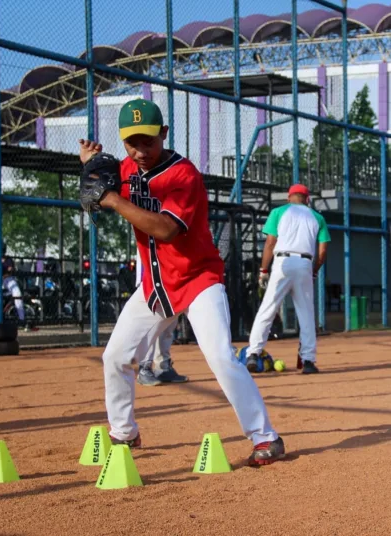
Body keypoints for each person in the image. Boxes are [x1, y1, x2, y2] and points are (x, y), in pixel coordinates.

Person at [78, 98, 284, 465]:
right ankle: (125, 434)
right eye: (132, 142)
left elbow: (167, 229)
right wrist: (90, 164)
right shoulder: (126, 168)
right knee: (115, 357)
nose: (140, 150)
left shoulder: (183, 175)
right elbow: (107, 176)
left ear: (164, 135)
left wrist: (111, 199)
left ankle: (265, 436)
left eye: (148, 141)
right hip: (156, 286)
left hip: (199, 280)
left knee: (221, 357)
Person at [245, 183, 330, 374]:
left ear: (289, 198)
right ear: (307, 200)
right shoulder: (318, 217)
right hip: (304, 263)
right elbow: (323, 252)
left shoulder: (278, 212)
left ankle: (253, 354)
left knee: (268, 307)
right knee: (306, 313)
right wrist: (314, 270)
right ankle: (308, 361)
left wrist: (263, 270)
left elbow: (270, 243)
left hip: (282, 263)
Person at [132, 250, 189, 386]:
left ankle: (163, 366)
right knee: (151, 323)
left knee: (169, 322)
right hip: (151, 270)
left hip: (170, 271)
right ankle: (144, 367)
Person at [0, 244, 28, 329]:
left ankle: (22, 319)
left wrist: (4, 274)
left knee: (17, 295)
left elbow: (10, 271)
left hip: (8, 280)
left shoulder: (8, 260)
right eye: (0, 251)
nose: (1, 253)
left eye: (3, 251)